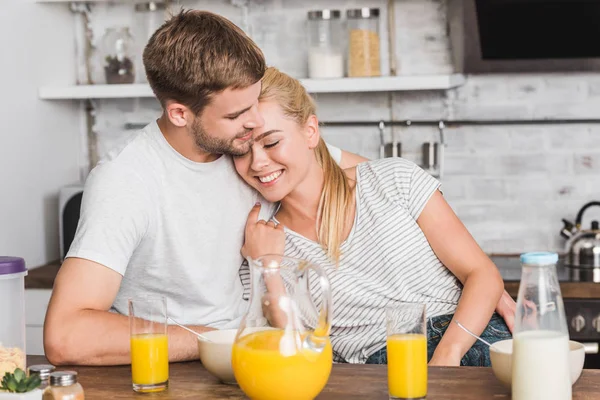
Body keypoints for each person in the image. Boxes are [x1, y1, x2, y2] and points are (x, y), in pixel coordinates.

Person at [43, 10, 365, 366]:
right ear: (180, 114)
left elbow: (365, 174)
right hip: (182, 373)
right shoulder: (126, 181)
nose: (255, 122)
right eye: (235, 115)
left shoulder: (250, 148)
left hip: (267, 359)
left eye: (254, 103)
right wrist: (210, 339)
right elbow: (66, 335)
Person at [236, 67, 514, 367]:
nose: (258, 162)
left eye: (271, 142)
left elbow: (482, 274)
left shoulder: (394, 180)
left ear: (310, 132)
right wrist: (268, 269)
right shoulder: (261, 245)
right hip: (377, 373)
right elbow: (298, 353)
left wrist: (447, 357)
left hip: (470, 341)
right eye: (241, 150)